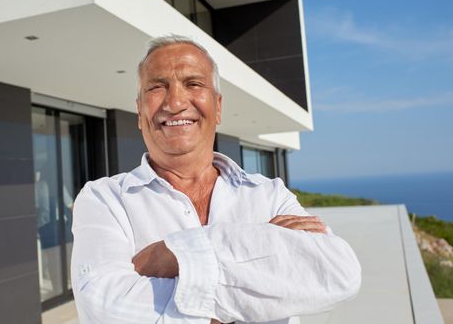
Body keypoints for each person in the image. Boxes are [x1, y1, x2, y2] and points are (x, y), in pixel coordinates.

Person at [71, 35, 361, 324]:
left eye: (193, 84)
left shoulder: (270, 194)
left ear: (218, 106)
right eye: (157, 87)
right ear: (140, 112)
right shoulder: (104, 199)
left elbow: (337, 272)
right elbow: (106, 308)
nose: (174, 102)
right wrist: (259, 247)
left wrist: (175, 254)